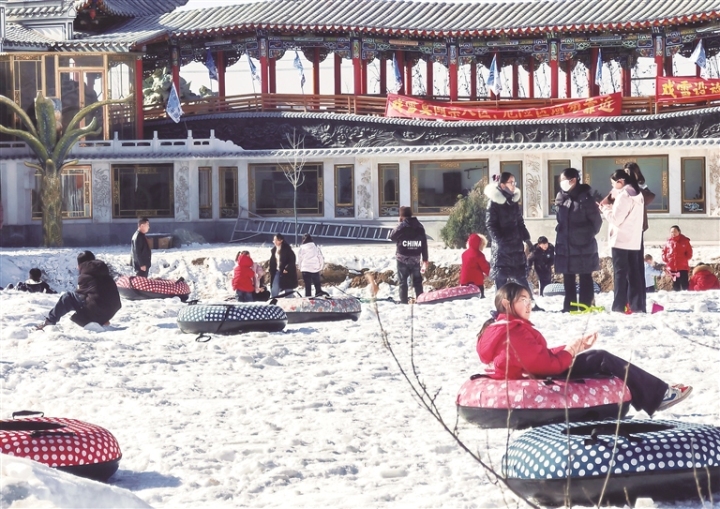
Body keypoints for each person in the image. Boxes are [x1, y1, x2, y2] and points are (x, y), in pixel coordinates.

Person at [476, 282, 692, 415]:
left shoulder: (501, 328)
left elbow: (535, 356)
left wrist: (574, 347)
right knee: (601, 358)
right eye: (522, 300)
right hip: (541, 376)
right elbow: (546, 366)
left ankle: (651, 392)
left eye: (529, 299)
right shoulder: (514, 331)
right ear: (507, 304)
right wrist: (570, 351)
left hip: (533, 372)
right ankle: (659, 395)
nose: (528, 305)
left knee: (596, 358)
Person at [554, 167, 603, 312]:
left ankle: (585, 305)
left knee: (585, 275)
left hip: (583, 245)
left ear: (573, 180)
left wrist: (585, 235)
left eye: (564, 180)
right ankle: (569, 306)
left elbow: (597, 222)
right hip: (565, 243)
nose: (562, 183)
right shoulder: (561, 197)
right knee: (568, 276)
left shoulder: (586, 198)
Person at [37, 251, 122, 330]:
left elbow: (80, 295)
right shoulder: (103, 271)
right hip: (111, 311)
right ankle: (103, 321)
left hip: (97, 311)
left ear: (80, 264)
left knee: (68, 297)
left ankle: (50, 321)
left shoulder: (85, 275)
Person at [600, 169, 645, 313]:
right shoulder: (637, 194)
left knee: (620, 273)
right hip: (633, 239)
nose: (612, 186)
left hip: (620, 240)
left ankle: (618, 306)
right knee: (633, 273)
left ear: (620, 181)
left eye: (613, 183)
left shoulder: (624, 196)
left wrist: (605, 209)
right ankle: (636, 305)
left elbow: (616, 219)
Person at [484, 173, 533, 293]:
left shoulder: (513, 202)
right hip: (502, 250)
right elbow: (490, 224)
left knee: (521, 280)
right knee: (501, 282)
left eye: (514, 182)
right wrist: (500, 240)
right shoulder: (493, 203)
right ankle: (500, 304)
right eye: (511, 182)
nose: (514, 185)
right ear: (502, 185)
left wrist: (526, 239)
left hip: (516, 247)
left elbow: (520, 222)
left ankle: (530, 301)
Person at [390, 206, 429, 304]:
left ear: (401, 216)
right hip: (415, 258)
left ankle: (403, 302)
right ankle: (420, 300)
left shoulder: (402, 226)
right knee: (417, 281)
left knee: (403, 282)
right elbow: (424, 243)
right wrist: (425, 258)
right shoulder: (420, 226)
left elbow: (392, 236)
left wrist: (399, 224)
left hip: (402, 258)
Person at [661, 225, 693, 291]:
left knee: (684, 285)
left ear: (679, 232)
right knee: (675, 286)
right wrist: (666, 259)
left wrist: (683, 259)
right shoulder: (668, 242)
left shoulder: (685, 241)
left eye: (675, 231)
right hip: (671, 267)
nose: (673, 233)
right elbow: (664, 252)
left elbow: (689, 253)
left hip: (682, 267)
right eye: (672, 232)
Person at [460, 233, 490, 298]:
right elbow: (485, 267)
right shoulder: (479, 255)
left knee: (466, 298)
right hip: (477, 282)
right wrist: (491, 274)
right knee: (480, 297)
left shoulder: (464, 254)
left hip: (464, 281)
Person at [269, 233, 298, 298]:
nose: (274, 242)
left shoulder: (287, 249)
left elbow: (292, 260)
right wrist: (271, 269)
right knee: (274, 288)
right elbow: (273, 261)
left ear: (281, 240)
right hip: (277, 271)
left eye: (276, 240)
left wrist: (287, 268)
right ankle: (274, 300)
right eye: (274, 240)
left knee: (288, 290)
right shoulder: (274, 250)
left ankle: (289, 302)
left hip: (287, 272)